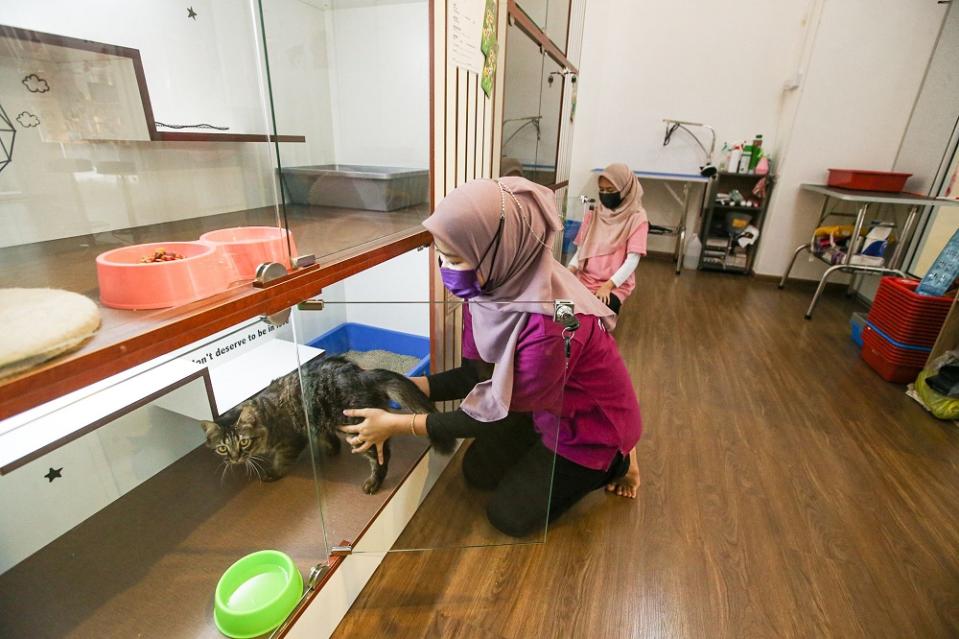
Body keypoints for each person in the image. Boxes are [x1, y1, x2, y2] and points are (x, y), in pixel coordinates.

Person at [339, 177, 642, 538]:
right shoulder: (489, 291)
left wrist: (398, 423)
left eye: (454, 258)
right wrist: (394, 385)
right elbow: (474, 376)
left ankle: (617, 460)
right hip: (540, 404)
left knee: (508, 517)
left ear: (496, 247)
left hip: (587, 427)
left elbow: (492, 416)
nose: (445, 270)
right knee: (477, 473)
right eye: (442, 256)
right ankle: (543, 448)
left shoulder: (554, 322)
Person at [567, 163, 649, 314]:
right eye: (602, 190)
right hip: (585, 278)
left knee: (599, 311)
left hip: (614, 284)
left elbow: (632, 261)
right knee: (562, 308)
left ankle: (590, 334)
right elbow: (581, 251)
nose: (605, 194)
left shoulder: (637, 218)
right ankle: (564, 335)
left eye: (610, 190)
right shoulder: (593, 215)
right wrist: (570, 270)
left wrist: (608, 286)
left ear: (625, 190)